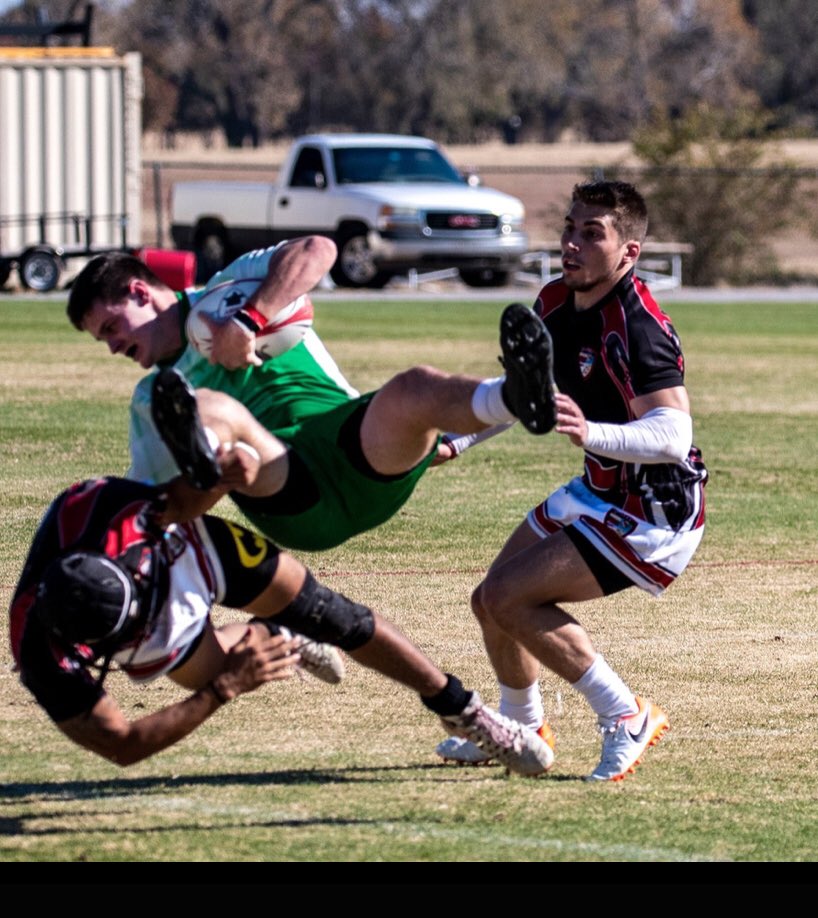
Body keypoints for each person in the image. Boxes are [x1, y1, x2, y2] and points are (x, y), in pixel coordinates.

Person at [8, 419, 554, 774]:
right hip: (143, 582)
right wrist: (222, 689)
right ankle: (277, 637)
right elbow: (121, 744)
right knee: (197, 674)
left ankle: (466, 712)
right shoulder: (42, 656)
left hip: (181, 547)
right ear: (92, 648)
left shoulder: (103, 510)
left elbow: (183, 500)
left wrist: (225, 479)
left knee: (332, 614)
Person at [436, 180, 708, 782]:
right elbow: (525, 397)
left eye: (593, 233)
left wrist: (593, 434)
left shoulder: (639, 326)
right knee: (490, 600)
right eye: (569, 228)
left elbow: (673, 435)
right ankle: (521, 728)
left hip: (654, 510)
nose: (572, 243)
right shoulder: (555, 301)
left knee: (511, 597)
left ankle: (626, 715)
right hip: (601, 490)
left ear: (629, 253)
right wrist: (459, 437)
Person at [66, 237, 555, 554]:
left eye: (110, 327)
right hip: (287, 489)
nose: (112, 347)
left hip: (352, 448)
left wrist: (249, 319)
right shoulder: (155, 395)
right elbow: (157, 506)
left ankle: (516, 397)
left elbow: (318, 249)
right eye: (101, 340)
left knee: (412, 386)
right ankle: (215, 453)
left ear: (139, 291)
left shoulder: (233, 284)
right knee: (214, 411)